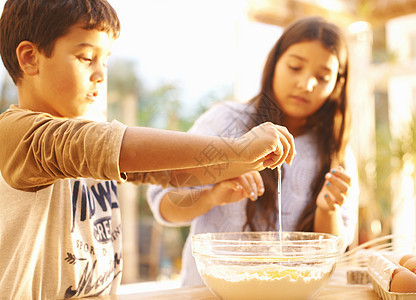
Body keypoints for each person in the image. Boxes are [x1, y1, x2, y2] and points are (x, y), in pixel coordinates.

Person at [0, 0, 296, 298]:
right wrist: (238, 149)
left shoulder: (88, 143)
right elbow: (111, 146)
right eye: (86, 57)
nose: (100, 74)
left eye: (105, 60)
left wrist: (246, 162)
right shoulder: (19, 134)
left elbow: (173, 170)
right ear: (30, 58)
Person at [147, 16, 360, 287]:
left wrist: (327, 208)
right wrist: (213, 195)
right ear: (274, 64)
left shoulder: (335, 152)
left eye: (322, 77)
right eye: (295, 67)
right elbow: (163, 205)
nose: (307, 85)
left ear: (337, 85)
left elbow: (333, 252)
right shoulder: (225, 121)